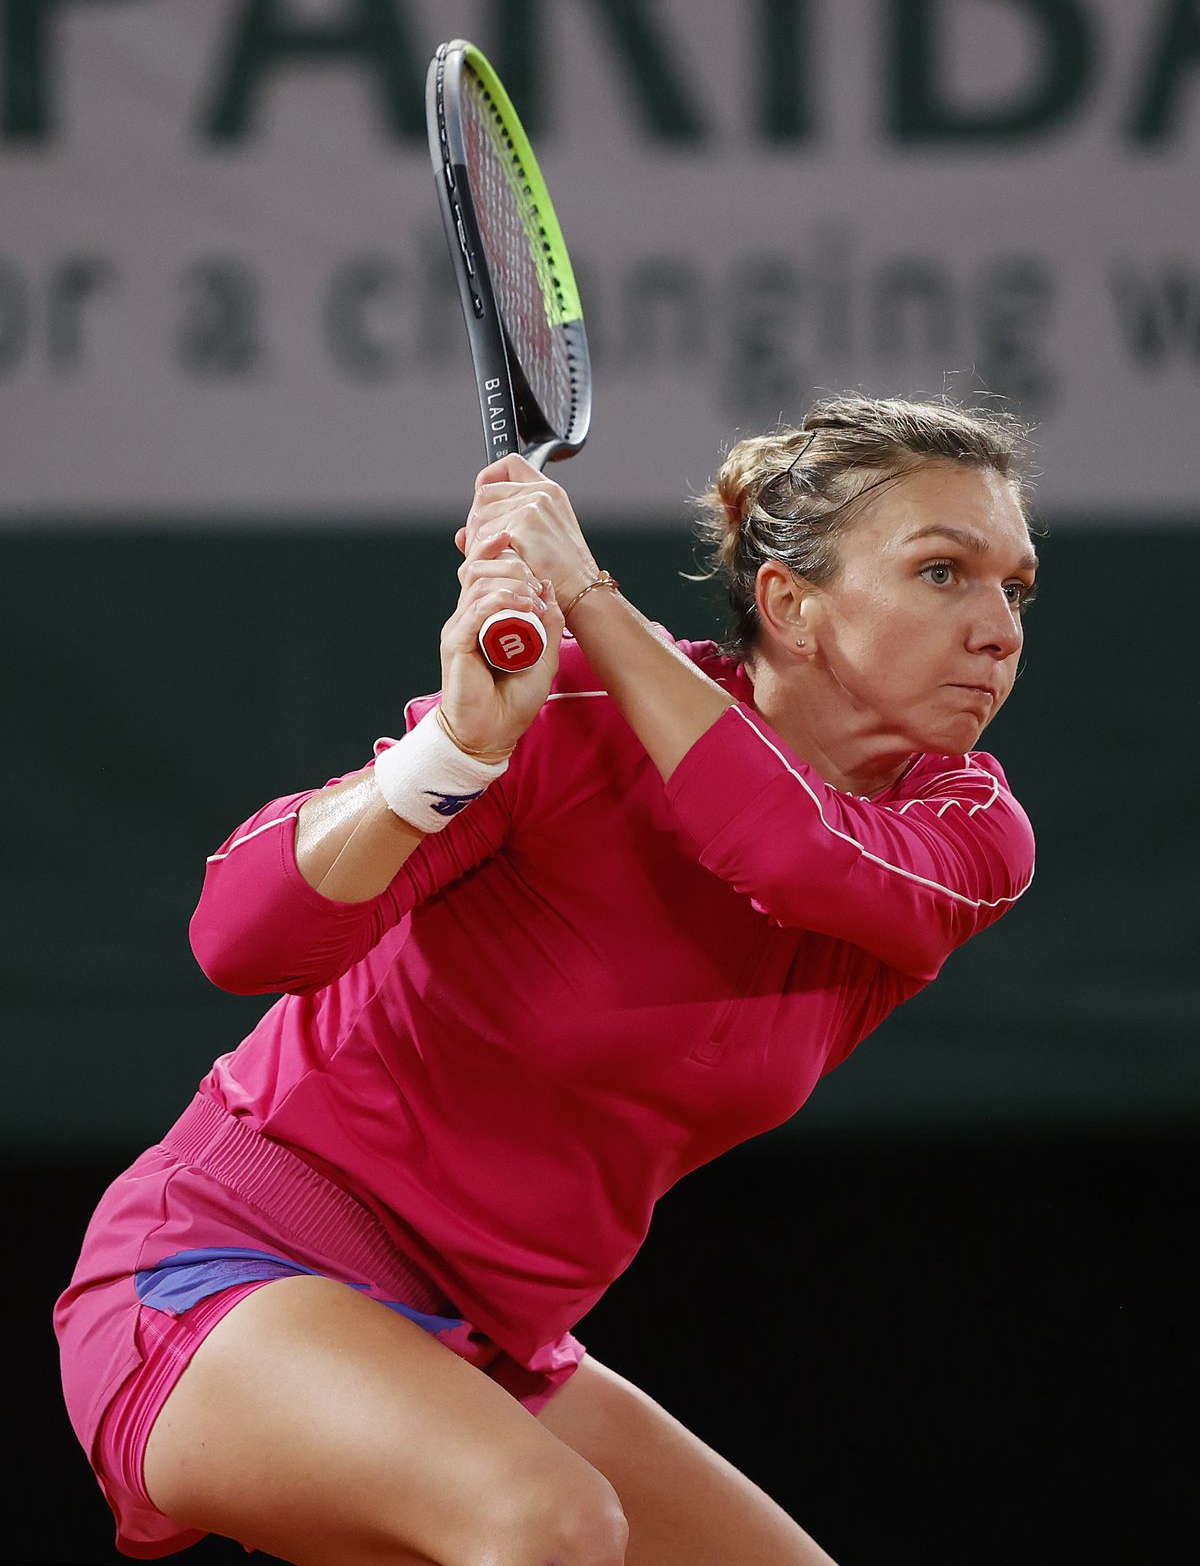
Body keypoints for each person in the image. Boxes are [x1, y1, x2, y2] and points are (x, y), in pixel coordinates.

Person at [54, 393, 1039, 1566]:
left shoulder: (968, 835)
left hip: (487, 1345)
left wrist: (586, 595)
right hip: (226, 1266)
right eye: (943, 573)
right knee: (552, 1524)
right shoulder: (567, 717)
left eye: (1016, 588)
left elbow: (787, 848)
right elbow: (240, 941)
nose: (999, 630)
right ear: (790, 605)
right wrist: (456, 752)